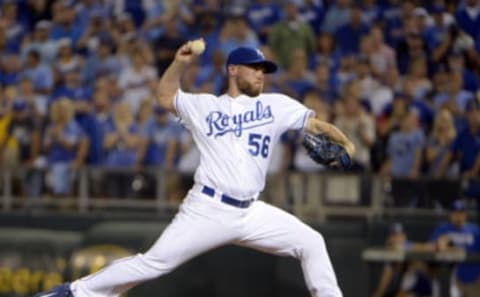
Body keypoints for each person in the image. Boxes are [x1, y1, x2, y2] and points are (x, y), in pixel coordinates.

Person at [35, 41, 355, 297]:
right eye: (254, 68)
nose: (260, 74)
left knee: (311, 241)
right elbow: (165, 95)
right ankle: (75, 292)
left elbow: (315, 124)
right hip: (209, 208)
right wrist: (180, 63)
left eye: (263, 69)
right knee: (155, 264)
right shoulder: (206, 106)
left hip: (251, 212)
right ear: (233, 70)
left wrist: (344, 142)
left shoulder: (277, 104)